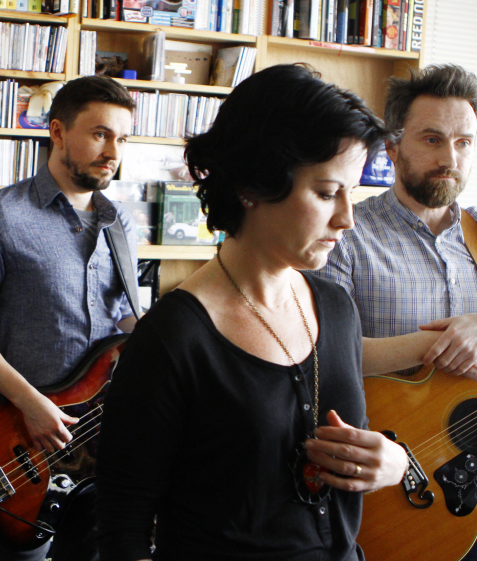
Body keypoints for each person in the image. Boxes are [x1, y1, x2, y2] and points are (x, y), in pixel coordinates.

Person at [95, 64, 410, 561]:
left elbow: (353, 447)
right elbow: (122, 525)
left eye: (353, 193)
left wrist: (392, 463)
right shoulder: (173, 337)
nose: (347, 218)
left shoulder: (337, 308)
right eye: (327, 193)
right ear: (254, 185)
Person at [313, 64, 477, 561]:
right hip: (380, 486)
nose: (450, 158)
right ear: (392, 146)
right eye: (432, 139)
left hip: (475, 487)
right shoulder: (344, 234)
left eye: (463, 142)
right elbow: (319, 354)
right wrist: (439, 346)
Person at [0, 76, 139, 561]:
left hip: (101, 440)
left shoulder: (121, 221)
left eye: (122, 138)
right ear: (57, 131)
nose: (113, 151)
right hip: (21, 436)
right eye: (100, 134)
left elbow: (121, 319)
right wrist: (30, 403)